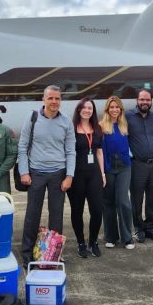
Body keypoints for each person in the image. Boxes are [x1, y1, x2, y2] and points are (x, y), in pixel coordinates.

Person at [17, 85, 76, 268]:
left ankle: (53, 253)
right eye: (50, 98)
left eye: (57, 99)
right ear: (43, 99)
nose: (54, 102)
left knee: (56, 216)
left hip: (58, 174)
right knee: (32, 215)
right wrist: (24, 172)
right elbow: (22, 146)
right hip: (36, 173)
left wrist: (69, 176)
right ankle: (27, 252)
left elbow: (71, 151)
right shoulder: (33, 118)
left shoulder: (66, 122)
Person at [66, 97, 106, 258]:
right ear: (78, 110)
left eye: (90, 108)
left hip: (94, 174)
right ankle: (81, 243)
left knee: (97, 210)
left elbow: (99, 152)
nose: (87, 110)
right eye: (84, 107)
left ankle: (93, 241)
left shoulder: (97, 128)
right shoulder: (71, 128)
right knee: (77, 211)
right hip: (77, 176)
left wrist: (103, 173)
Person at [125, 88, 153, 243]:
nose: (145, 102)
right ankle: (138, 227)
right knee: (137, 198)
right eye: (142, 99)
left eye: (147, 100)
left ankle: (150, 227)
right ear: (137, 100)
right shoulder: (128, 116)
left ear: (151, 102)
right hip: (137, 164)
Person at [100, 96, 135, 249]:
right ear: (107, 109)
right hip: (108, 167)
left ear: (121, 109)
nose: (114, 110)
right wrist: (102, 171)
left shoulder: (125, 125)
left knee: (123, 200)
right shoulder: (101, 126)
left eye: (117, 107)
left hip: (123, 167)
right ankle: (111, 237)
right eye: (112, 107)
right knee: (108, 202)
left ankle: (127, 237)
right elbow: (99, 151)